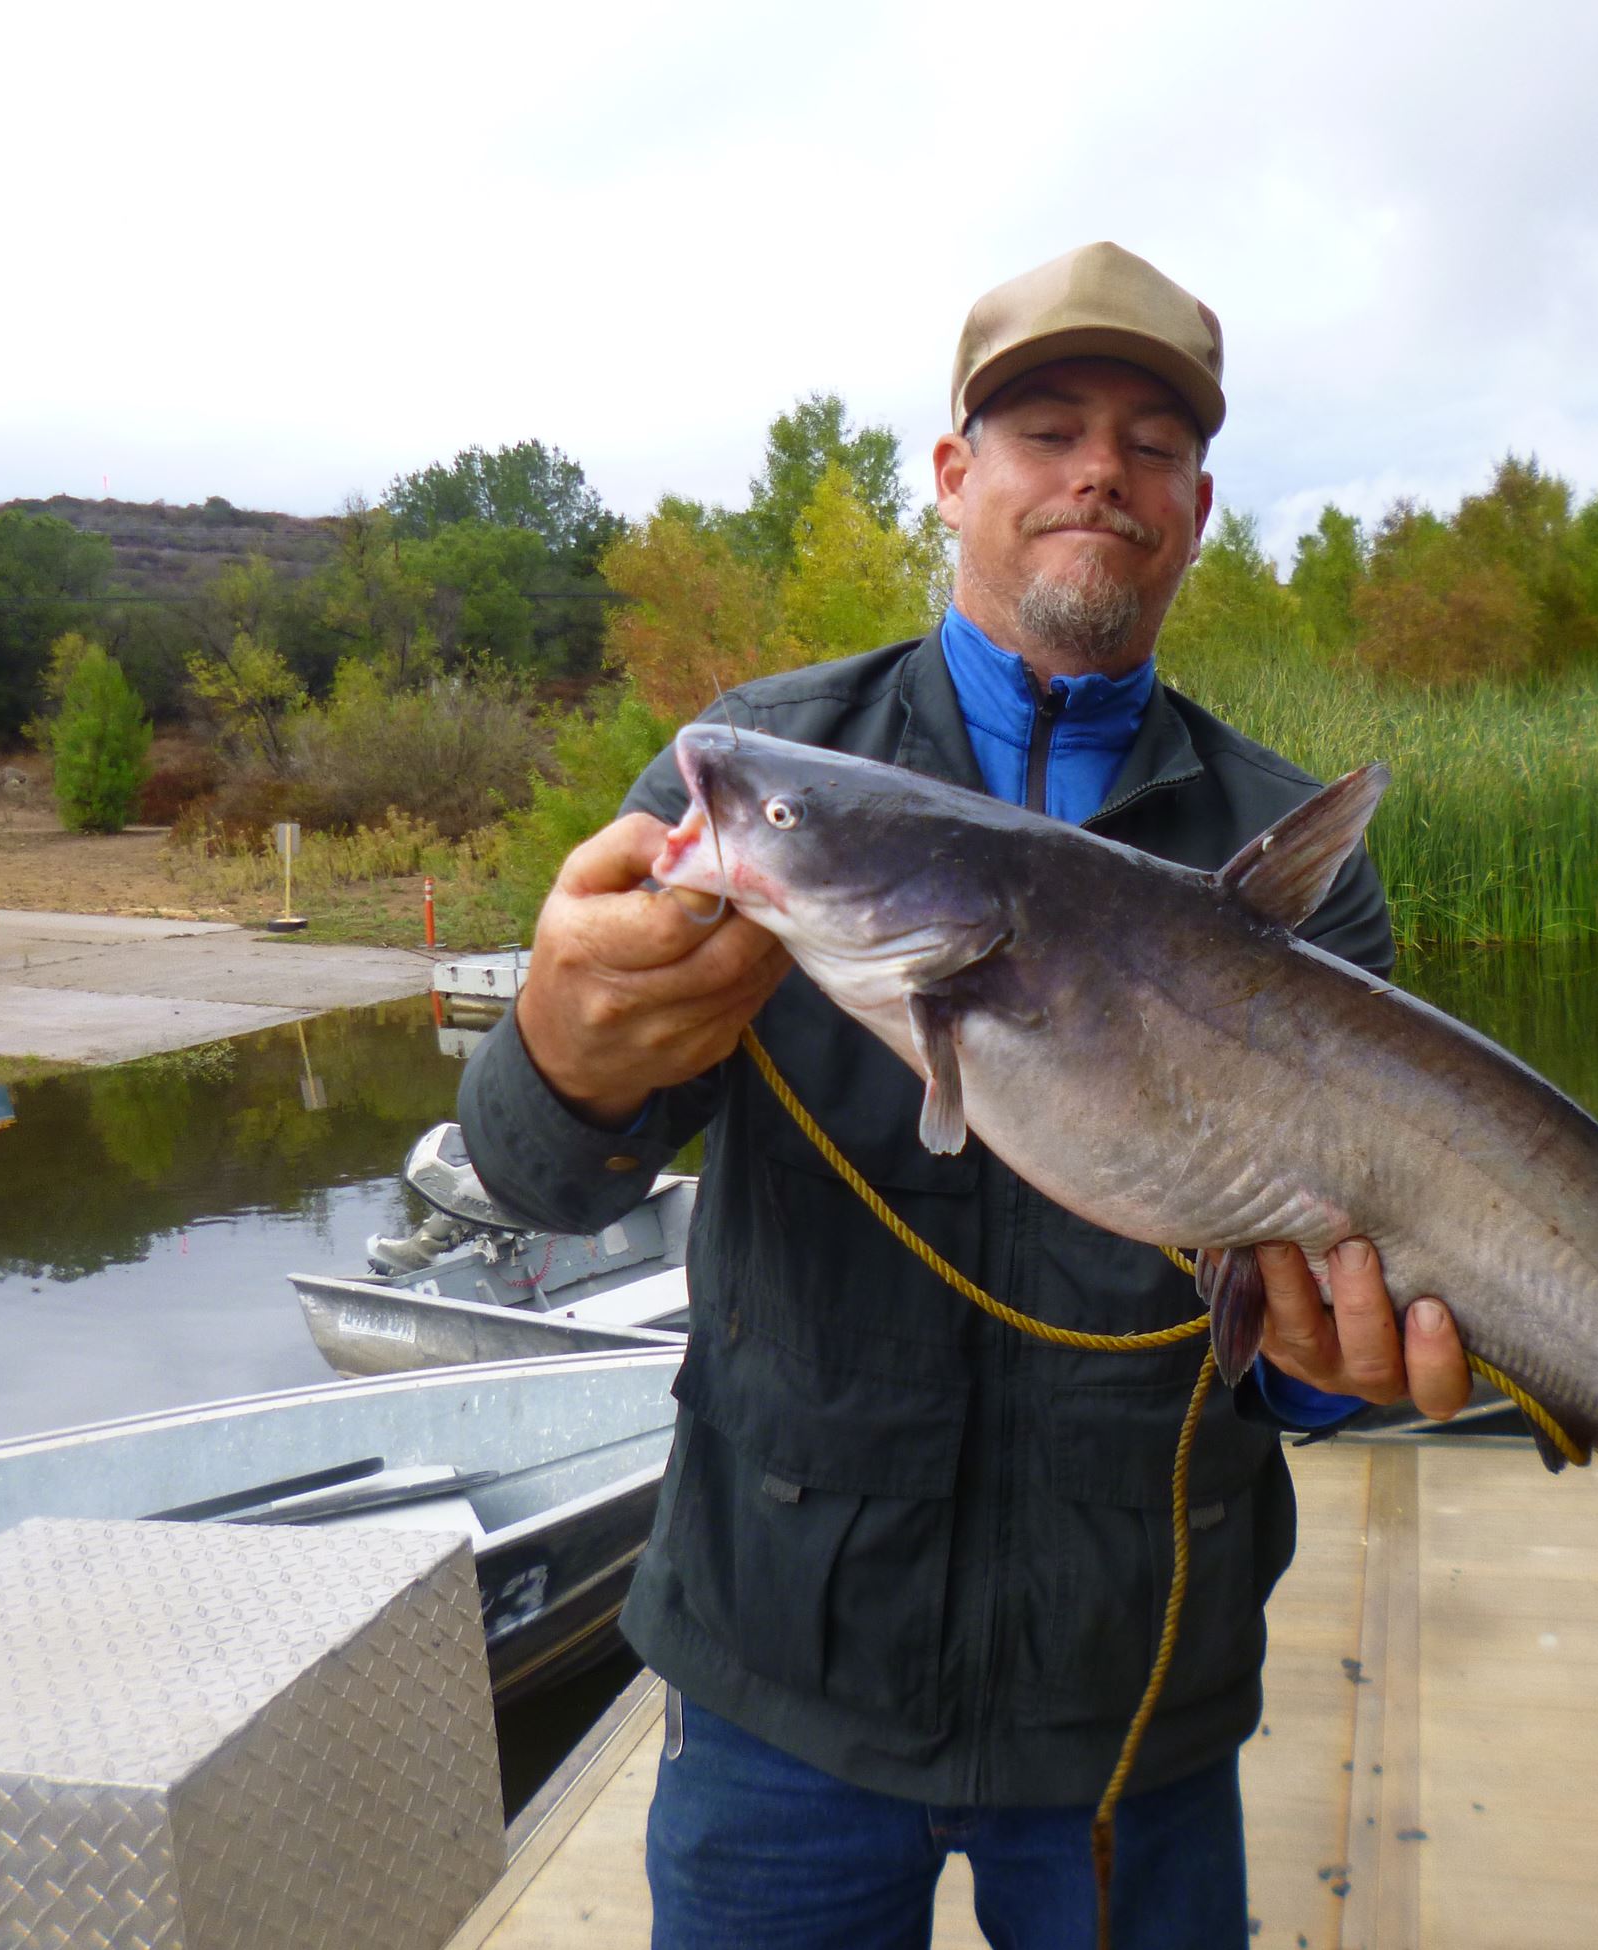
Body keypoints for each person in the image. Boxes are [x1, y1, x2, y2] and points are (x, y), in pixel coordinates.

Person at [460, 241, 1470, 1949]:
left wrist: (1331, 1379)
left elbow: (1321, 1359)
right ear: (952, 475)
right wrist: (556, 1051)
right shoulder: (763, 780)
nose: (1100, 472)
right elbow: (539, 1189)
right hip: (781, 1680)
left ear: (1199, 508)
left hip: (1130, 1707)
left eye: (1152, 442)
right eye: (1046, 426)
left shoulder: (1290, 863)